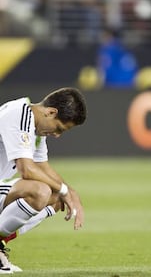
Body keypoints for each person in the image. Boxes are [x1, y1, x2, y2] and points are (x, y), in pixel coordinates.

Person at [0, 87, 87, 273]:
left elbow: (42, 168)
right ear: (50, 112)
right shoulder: (20, 114)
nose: (56, 135)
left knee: (56, 198)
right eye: (58, 128)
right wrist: (63, 189)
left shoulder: (35, 128)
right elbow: (27, 170)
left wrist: (71, 193)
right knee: (40, 191)